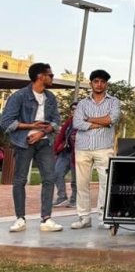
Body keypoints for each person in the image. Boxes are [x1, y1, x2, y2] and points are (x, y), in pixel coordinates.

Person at [0, 62, 63, 233]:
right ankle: (20, 219)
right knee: (20, 180)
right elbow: (5, 122)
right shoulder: (19, 96)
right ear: (40, 76)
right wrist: (30, 127)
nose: (52, 78)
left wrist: (42, 133)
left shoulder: (51, 97)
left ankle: (46, 219)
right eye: (50, 75)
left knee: (49, 178)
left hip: (44, 142)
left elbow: (57, 121)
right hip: (24, 142)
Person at [71, 69, 121, 229]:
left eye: (102, 81)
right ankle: (84, 218)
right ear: (91, 83)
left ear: (106, 84)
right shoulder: (82, 103)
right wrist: (101, 122)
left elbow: (112, 119)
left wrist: (89, 119)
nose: (99, 84)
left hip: (104, 148)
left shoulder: (113, 102)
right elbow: (77, 123)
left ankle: (103, 217)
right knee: (82, 183)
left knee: (106, 184)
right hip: (83, 148)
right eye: (96, 81)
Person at [53, 101, 79, 208]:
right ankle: (62, 197)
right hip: (65, 152)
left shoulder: (85, 122)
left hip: (77, 154)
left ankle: (74, 199)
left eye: (76, 109)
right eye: (72, 109)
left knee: (75, 179)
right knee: (56, 173)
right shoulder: (69, 122)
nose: (74, 111)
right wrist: (56, 150)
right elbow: (61, 136)